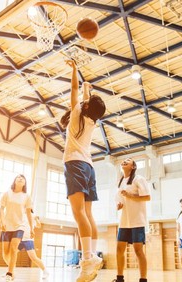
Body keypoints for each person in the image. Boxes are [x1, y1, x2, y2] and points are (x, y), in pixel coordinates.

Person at [62, 59, 106, 282]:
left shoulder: (77, 115)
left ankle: (88, 260)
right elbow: (84, 99)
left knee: (79, 214)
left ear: (86, 106)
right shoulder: (91, 121)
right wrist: (87, 88)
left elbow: (72, 90)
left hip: (76, 165)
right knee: (88, 214)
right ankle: (92, 257)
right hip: (89, 167)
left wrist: (74, 70)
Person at [113, 158, 151, 282]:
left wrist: (130, 195)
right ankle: (120, 279)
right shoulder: (120, 182)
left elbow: (147, 197)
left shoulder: (138, 179)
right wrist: (119, 205)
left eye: (128, 161)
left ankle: (143, 279)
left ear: (133, 166)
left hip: (137, 220)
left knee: (138, 250)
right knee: (119, 249)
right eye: (123, 160)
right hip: (124, 221)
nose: (124, 161)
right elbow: (120, 200)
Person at [0, 174, 34, 282]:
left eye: (23, 178)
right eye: (18, 177)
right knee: (5, 252)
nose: (20, 178)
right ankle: (13, 269)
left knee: (14, 249)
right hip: (6, 225)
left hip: (20, 226)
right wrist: (2, 221)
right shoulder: (7, 193)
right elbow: (1, 209)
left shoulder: (27, 196)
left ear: (24, 184)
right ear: (14, 181)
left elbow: (28, 214)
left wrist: (32, 228)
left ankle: (9, 273)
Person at [18, 210, 49, 279]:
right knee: (12, 254)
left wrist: (37, 219)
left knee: (33, 258)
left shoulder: (32, 216)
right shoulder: (22, 215)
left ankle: (45, 271)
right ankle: (9, 272)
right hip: (20, 240)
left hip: (28, 240)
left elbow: (39, 225)